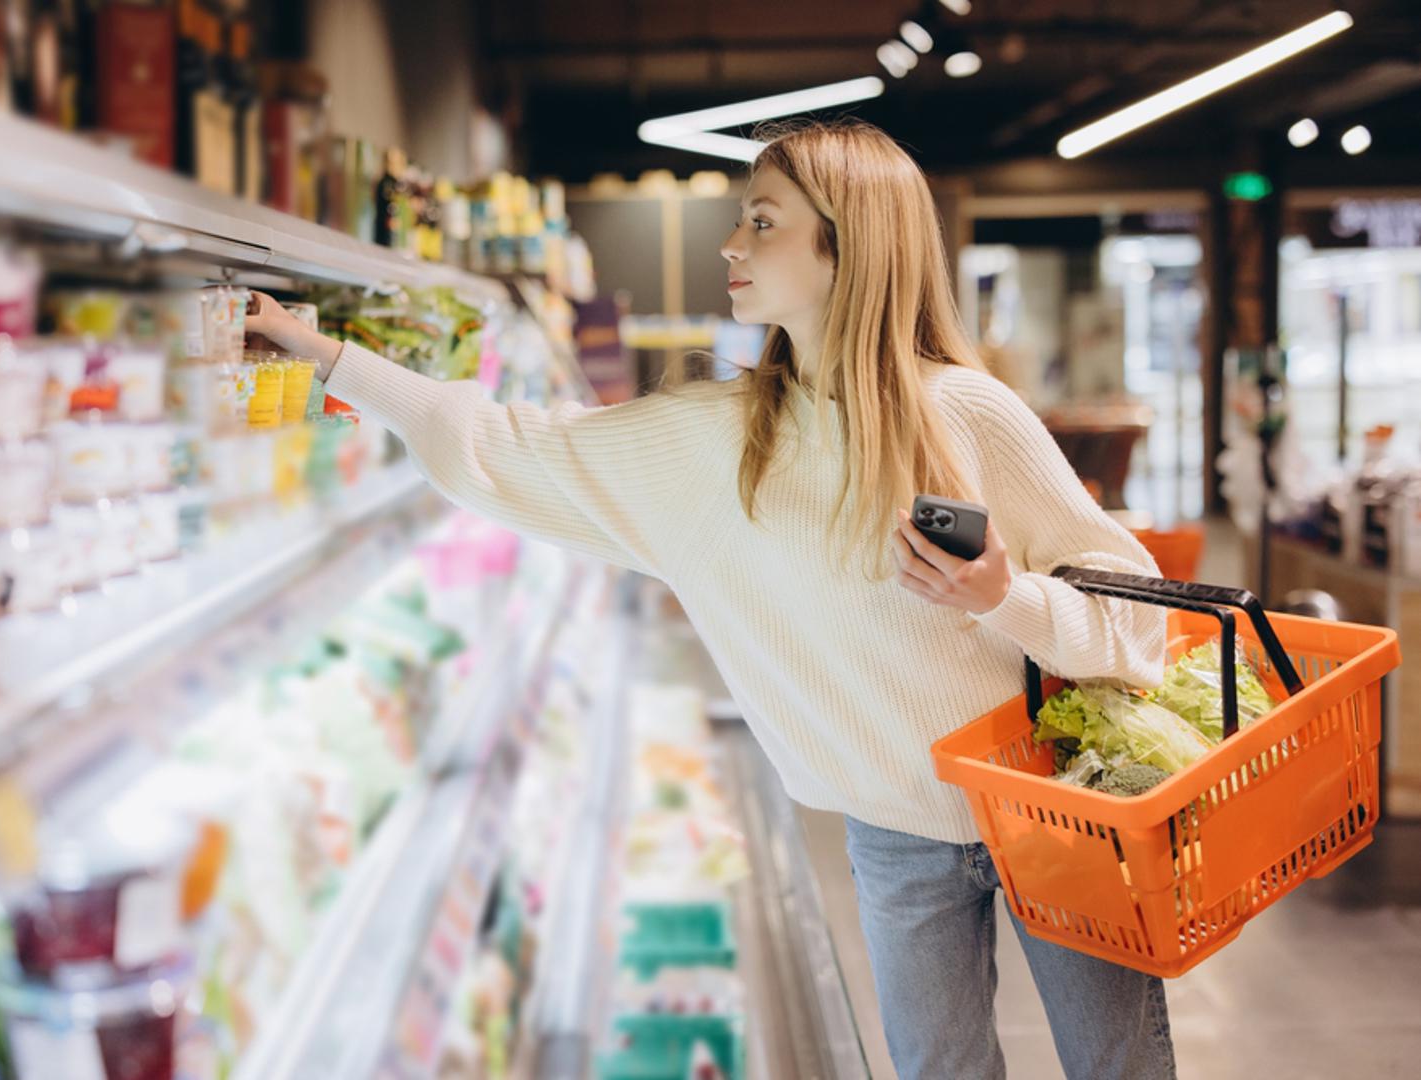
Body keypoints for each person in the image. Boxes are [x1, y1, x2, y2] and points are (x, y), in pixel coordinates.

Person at [246, 121, 1176, 1080]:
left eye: (763, 222)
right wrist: (326, 358)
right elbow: (510, 446)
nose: (731, 245)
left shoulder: (970, 413)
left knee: (1122, 1070)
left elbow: (1137, 618)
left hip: (1061, 807)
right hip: (894, 834)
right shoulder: (721, 442)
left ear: (845, 245)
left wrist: (1003, 597)